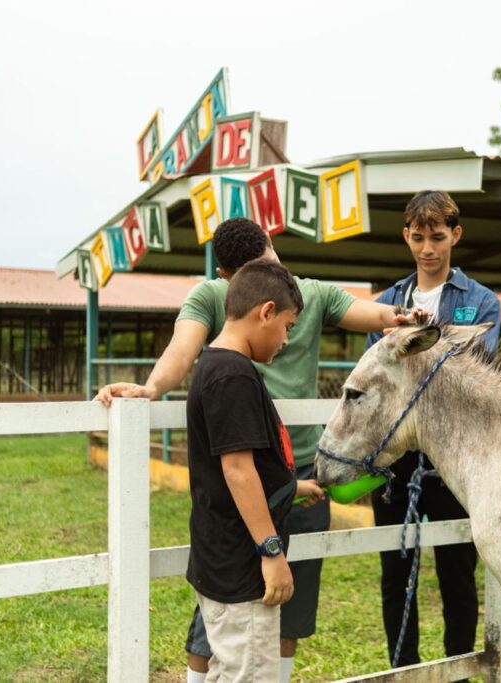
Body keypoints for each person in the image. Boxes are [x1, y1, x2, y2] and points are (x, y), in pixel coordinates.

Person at [95, 217, 422, 683]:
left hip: (298, 466)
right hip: (247, 466)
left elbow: (370, 312)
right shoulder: (220, 326)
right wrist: (150, 389)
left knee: (289, 599)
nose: (288, 337)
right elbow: (181, 350)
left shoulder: (308, 291)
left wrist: (401, 319)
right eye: (286, 325)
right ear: (233, 286)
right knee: (233, 599)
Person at [365, 190, 501, 670]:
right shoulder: (384, 305)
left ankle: (459, 671)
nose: (428, 248)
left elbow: (476, 376)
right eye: (419, 237)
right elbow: (377, 376)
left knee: (458, 575)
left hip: (452, 460)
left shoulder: (482, 301)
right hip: (397, 458)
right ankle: (403, 671)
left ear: (455, 236)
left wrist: (427, 338)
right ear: (406, 236)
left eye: (438, 237)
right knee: (395, 570)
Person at [185, 257, 325, 681]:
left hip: (226, 555)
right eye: (287, 325)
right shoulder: (233, 376)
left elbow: (242, 466)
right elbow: (238, 470)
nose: (285, 340)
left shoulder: (219, 366)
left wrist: (292, 487)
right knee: (248, 673)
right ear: (265, 312)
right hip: (242, 563)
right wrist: (271, 551)